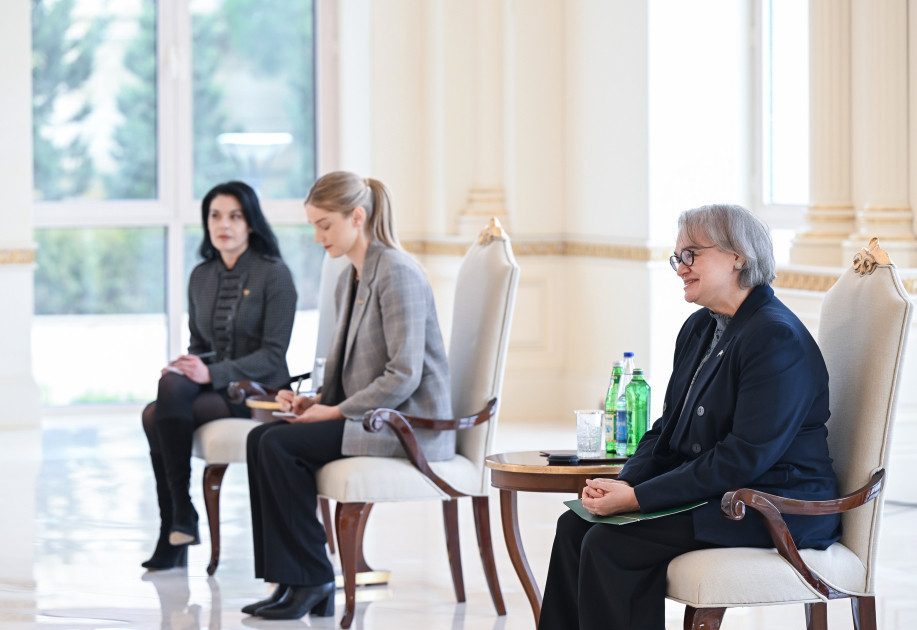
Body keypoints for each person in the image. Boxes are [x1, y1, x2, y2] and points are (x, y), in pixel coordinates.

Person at [538, 204, 842, 630]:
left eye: (691, 254)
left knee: (611, 543)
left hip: (773, 504)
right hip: (723, 494)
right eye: (677, 257)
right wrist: (629, 482)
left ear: (737, 257)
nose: (680, 267)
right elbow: (667, 429)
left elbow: (742, 458)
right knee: (574, 526)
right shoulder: (700, 327)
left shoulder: (775, 337)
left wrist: (639, 500)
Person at [241, 171, 453, 620]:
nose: (318, 237)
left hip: (406, 424)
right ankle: (291, 579)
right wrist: (316, 400)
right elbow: (352, 369)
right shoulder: (351, 276)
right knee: (260, 438)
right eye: (314, 226)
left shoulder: (397, 272)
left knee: (279, 445)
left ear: (357, 217)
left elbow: (404, 375)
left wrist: (335, 411)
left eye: (325, 225)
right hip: (371, 415)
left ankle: (312, 578)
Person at [141, 181, 297, 570]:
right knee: (167, 386)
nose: (223, 224)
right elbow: (200, 345)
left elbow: (273, 355)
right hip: (216, 388)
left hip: (261, 392)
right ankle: (178, 518)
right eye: (215, 216)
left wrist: (209, 372)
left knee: (154, 414)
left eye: (234, 216)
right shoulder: (201, 275)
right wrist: (187, 366)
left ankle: (178, 524)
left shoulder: (274, 274)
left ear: (251, 223)